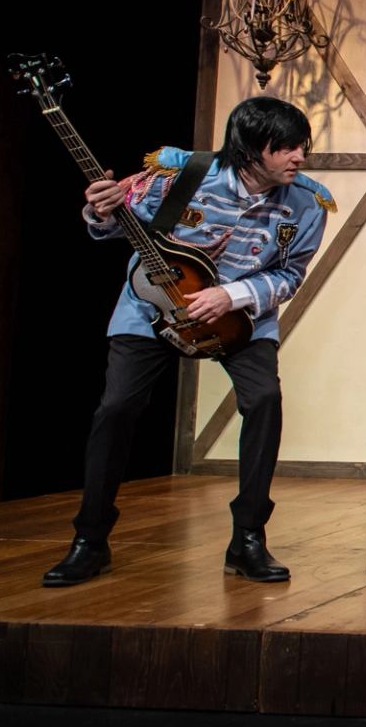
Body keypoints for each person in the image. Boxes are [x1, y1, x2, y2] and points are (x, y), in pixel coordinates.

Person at [43, 96, 333, 587]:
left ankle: (248, 539)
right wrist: (101, 211)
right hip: (151, 308)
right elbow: (116, 227)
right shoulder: (179, 175)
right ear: (248, 149)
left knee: (264, 400)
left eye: (301, 146)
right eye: (284, 147)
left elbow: (290, 275)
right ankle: (89, 541)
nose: (298, 157)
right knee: (115, 409)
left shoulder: (306, 203)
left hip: (239, 317)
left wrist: (232, 295)